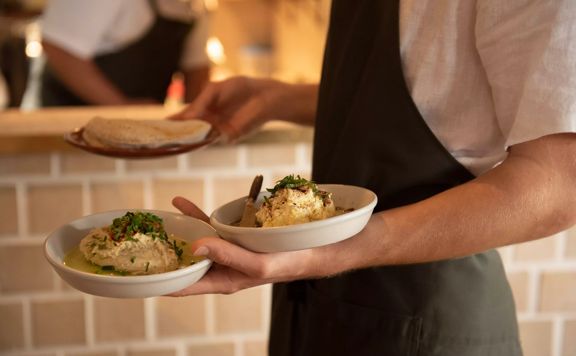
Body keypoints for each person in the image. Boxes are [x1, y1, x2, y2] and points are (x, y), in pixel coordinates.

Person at [169, 1, 576, 355]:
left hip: (426, 321)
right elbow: (443, 94)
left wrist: (335, 251)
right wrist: (279, 98)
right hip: (325, 307)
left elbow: (559, 183)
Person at [39, 0, 210, 106]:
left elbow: (196, 69)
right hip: (71, 128)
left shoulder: (195, 7)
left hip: (139, 134)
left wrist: (195, 121)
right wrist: (120, 106)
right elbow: (59, 48)